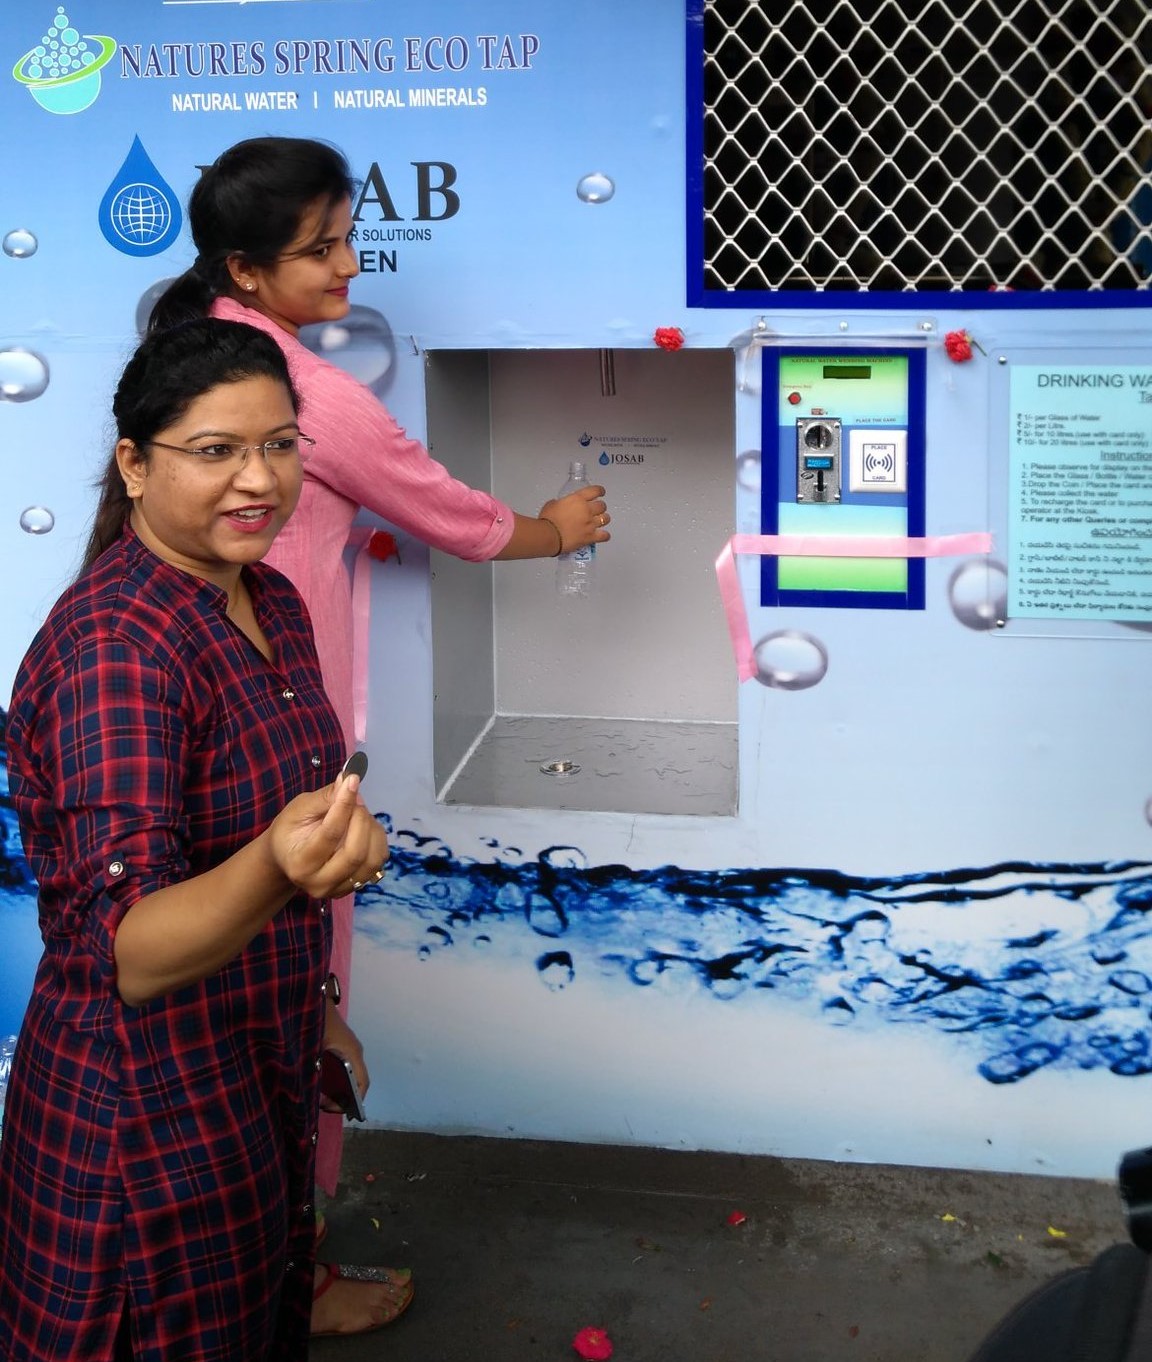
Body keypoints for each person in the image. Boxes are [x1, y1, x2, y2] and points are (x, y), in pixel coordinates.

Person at [146, 135, 612, 1336]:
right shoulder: (306, 396)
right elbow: (450, 512)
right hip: (282, 740)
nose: (353, 265)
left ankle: (239, 1264)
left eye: (349, 238)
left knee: (225, 999)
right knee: (298, 995)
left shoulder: (188, 359)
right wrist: (556, 530)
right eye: (325, 248)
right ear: (247, 270)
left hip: (207, 718)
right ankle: (292, 1278)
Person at [0, 319, 408, 1361]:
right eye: (216, 450)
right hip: (142, 1116)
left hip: (249, 1070)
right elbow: (129, 953)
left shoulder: (268, 598)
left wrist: (314, 1011)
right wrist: (277, 864)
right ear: (135, 465)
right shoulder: (118, 649)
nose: (259, 479)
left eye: (279, 445)